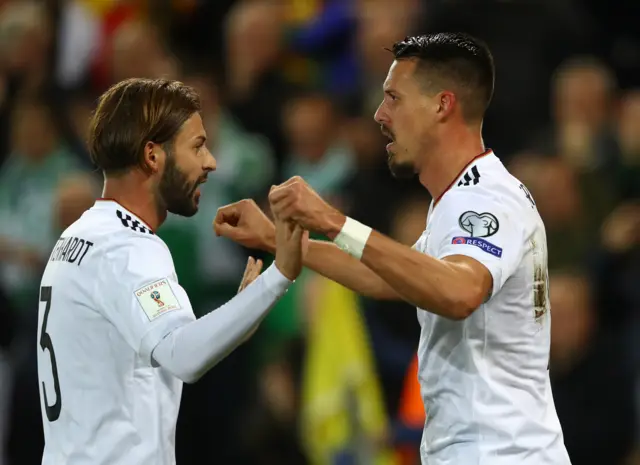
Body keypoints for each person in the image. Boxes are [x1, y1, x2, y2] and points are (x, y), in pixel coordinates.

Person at [214, 33, 571, 465]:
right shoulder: (456, 201)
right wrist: (277, 238)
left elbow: (459, 293)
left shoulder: (485, 201)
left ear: (442, 104)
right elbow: (385, 276)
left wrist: (332, 220)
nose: (380, 115)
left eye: (394, 98)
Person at [36, 78, 306, 465]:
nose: (210, 161)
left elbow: (171, 348)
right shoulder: (128, 246)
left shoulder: (80, 236)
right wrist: (279, 276)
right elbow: (182, 355)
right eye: (197, 146)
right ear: (152, 156)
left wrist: (243, 312)